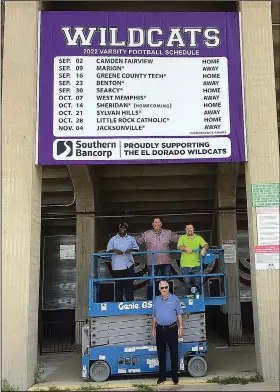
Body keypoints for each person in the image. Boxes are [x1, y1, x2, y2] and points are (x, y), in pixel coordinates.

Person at [135, 217, 179, 299]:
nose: (157, 224)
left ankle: (168, 300)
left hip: (165, 262)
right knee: (151, 282)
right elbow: (137, 241)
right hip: (152, 262)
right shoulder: (147, 234)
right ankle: (149, 301)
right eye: (155, 222)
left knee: (166, 281)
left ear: (161, 224)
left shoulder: (168, 233)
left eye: (158, 222)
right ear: (153, 224)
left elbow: (179, 239)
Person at [152, 280, 183, 385]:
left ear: (168, 288)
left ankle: (175, 377)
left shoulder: (175, 299)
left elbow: (179, 314)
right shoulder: (156, 300)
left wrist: (180, 327)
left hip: (172, 329)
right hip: (160, 330)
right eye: (162, 288)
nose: (164, 289)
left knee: (174, 353)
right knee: (161, 354)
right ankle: (162, 377)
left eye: (166, 287)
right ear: (159, 289)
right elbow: (154, 316)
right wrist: (153, 328)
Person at [106, 222, 139, 302]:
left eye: (125, 228)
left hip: (129, 264)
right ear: (119, 228)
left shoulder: (131, 238)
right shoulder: (113, 239)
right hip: (117, 265)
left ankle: (130, 303)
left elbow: (137, 249)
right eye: (122, 228)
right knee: (118, 286)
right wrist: (115, 250)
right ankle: (119, 304)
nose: (123, 229)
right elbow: (107, 251)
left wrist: (131, 250)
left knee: (129, 285)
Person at [177, 223, 209, 296]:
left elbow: (206, 245)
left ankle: (200, 296)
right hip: (185, 265)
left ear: (193, 229)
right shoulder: (182, 237)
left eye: (190, 228)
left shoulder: (198, 238)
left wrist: (204, 249)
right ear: (185, 230)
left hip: (196, 265)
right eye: (187, 229)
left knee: (198, 282)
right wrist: (185, 248)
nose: (189, 230)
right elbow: (179, 247)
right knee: (187, 283)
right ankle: (189, 298)